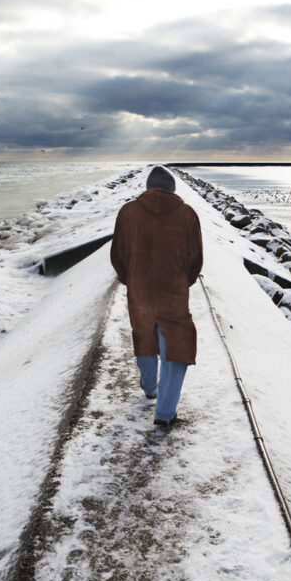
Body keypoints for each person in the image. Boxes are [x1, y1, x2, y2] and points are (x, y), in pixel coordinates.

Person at [110, 166, 203, 427]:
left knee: (144, 334)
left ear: (148, 188)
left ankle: (150, 387)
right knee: (177, 346)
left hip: (139, 288)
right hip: (173, 291)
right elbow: (195, 259)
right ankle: (164, 412)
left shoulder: (128, 212)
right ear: (173, 189)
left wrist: (130, 279)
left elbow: (118, 254)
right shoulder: (187, 214)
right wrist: (184, 282)